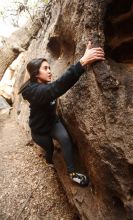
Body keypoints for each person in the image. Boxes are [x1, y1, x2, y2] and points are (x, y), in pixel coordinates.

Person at [19, 41, 105, 186]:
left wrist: (83, 66)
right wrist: (82, 62)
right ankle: (48, 159)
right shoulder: (32, 91)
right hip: (39, 130)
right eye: (45, 68)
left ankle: (72, 173)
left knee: (65, 140)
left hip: (53, 122)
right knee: (49, 149)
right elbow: (55, 89)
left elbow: (56, 85)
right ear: (36, 73)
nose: (49, 71)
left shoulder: (44, 84)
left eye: (49, 68)